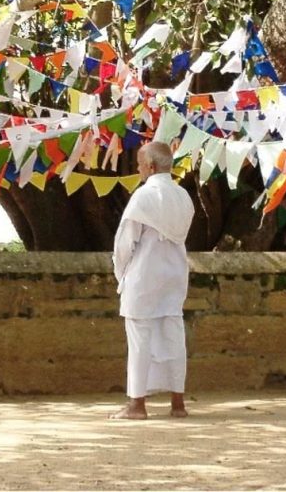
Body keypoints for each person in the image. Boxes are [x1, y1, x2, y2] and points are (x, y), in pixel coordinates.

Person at [109, 141, 195, 420]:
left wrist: (121, 274)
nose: (137, 168)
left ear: (151, 166)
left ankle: (137, 405)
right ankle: (178, 404)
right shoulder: (183, 196)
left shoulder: (144, 196)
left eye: (139, 163)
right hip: (174, 275)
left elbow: (125, 243)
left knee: (140, 340)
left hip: (144, 276)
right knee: (173, 337)